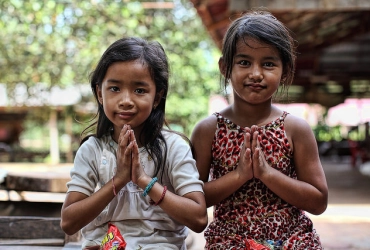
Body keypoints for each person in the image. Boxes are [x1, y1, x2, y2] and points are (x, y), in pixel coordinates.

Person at [191, 11, 328, 249]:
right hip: (230, 242)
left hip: (292, 241)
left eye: (268, 64)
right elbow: (192, 201)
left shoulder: (295, 129)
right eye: (244, 62)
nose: (256, 74)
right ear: (225, 67)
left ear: (284, 71)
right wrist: (238, 176)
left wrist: (267, 174)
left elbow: (318, 202)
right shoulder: (208, 130)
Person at [60, 37, 208, 250]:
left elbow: (199, 218)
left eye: (139, 90)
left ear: (157, 97)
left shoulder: (174, 148)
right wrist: (118, 180)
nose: (126, 100)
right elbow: (68, 222)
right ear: (99, 93)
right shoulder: (92, 151)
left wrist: (144, 180)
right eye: (114, 88)